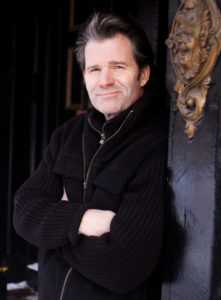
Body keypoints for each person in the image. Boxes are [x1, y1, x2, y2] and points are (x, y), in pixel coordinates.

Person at [13, 12, 168, 300]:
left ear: (143, 74)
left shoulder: (158, 146)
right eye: (94, 69)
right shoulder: (67, 135)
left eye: (118, 66)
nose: (105, 80)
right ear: (84, 77)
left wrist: (53, 225)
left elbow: (123, 266)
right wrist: (86, 220)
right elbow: (23, 213)